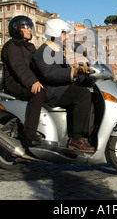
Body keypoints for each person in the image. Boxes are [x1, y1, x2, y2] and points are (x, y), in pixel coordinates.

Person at [32, 19, 95, 153]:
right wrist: (74, 71)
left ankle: (90, 132)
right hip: (52, 91)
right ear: (55, 33)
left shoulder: (57, 51)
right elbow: (50, 74)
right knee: (82, 95)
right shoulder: (42, 52)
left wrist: (87, 79)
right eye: (64, 33)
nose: (66, 37)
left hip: (62, 88)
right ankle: (76, 139)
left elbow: (68, 75)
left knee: (89, 93)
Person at [1, 15, 45, 143]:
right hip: (15, 82)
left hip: (26, 80)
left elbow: (39, 64)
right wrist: (32, 81)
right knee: (38, 92)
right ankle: (29, 132)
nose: (30, 29)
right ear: (17, 29)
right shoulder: (12, 46)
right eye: (26, 27)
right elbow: (19, 67)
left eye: (30, 27)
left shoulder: (30, 47)